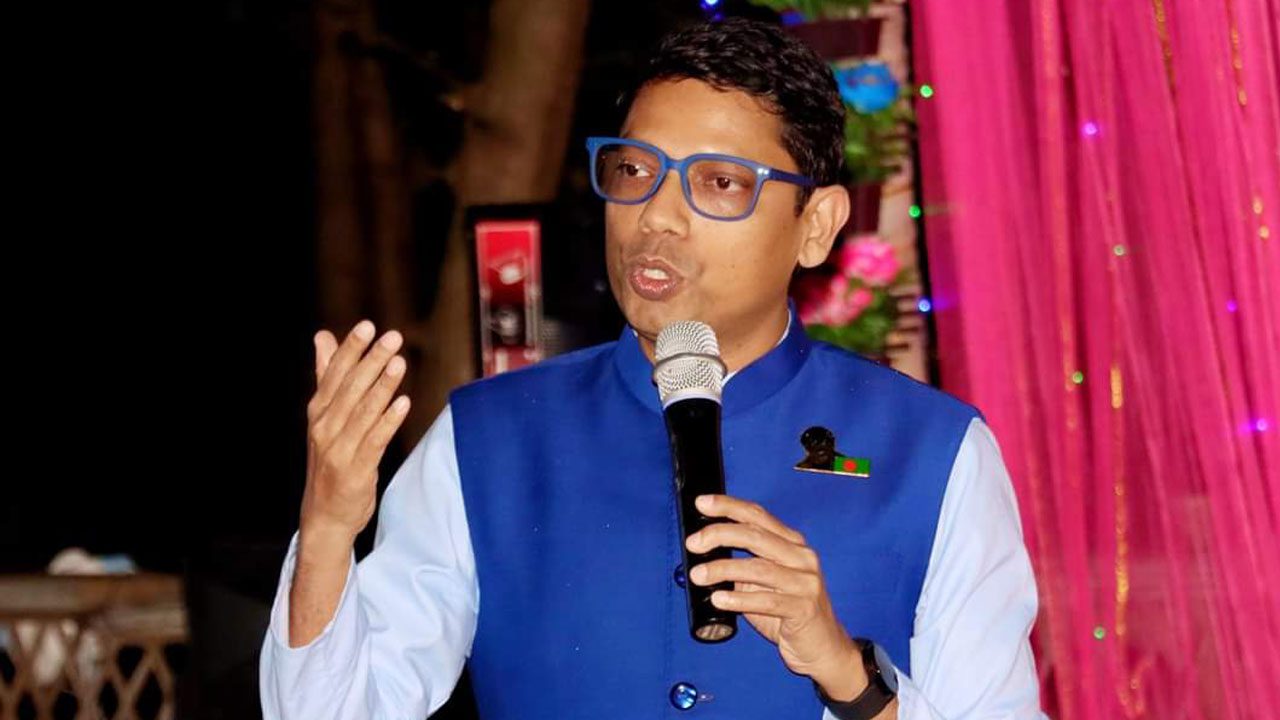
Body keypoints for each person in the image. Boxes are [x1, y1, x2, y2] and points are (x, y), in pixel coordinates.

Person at [260, 18, 1043, 720]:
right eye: (635, 170)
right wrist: (327, 530)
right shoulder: (489, 438)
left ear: (817, 225)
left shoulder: (933, 453)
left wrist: (849, 677)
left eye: (719, 183)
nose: (656, 216)